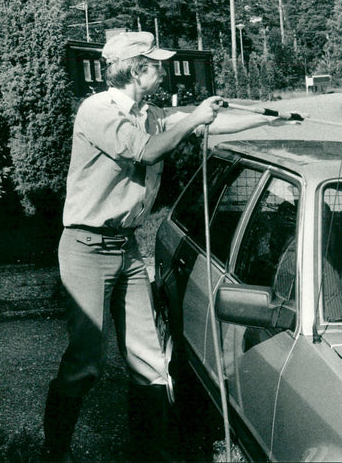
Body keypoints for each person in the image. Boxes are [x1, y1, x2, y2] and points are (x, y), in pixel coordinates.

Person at [41, 31, 277, 461]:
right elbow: (146, 152)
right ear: (136, 70)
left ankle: (152, 453)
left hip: (125, 247)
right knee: (85, 361)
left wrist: (271, 118)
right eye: (155, 63)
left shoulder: (147, 112)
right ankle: (54, 451)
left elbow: (205, 122)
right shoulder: (97, 111)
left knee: (148, 361)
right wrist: (193, 118)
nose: (163, 68)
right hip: (86, 248)